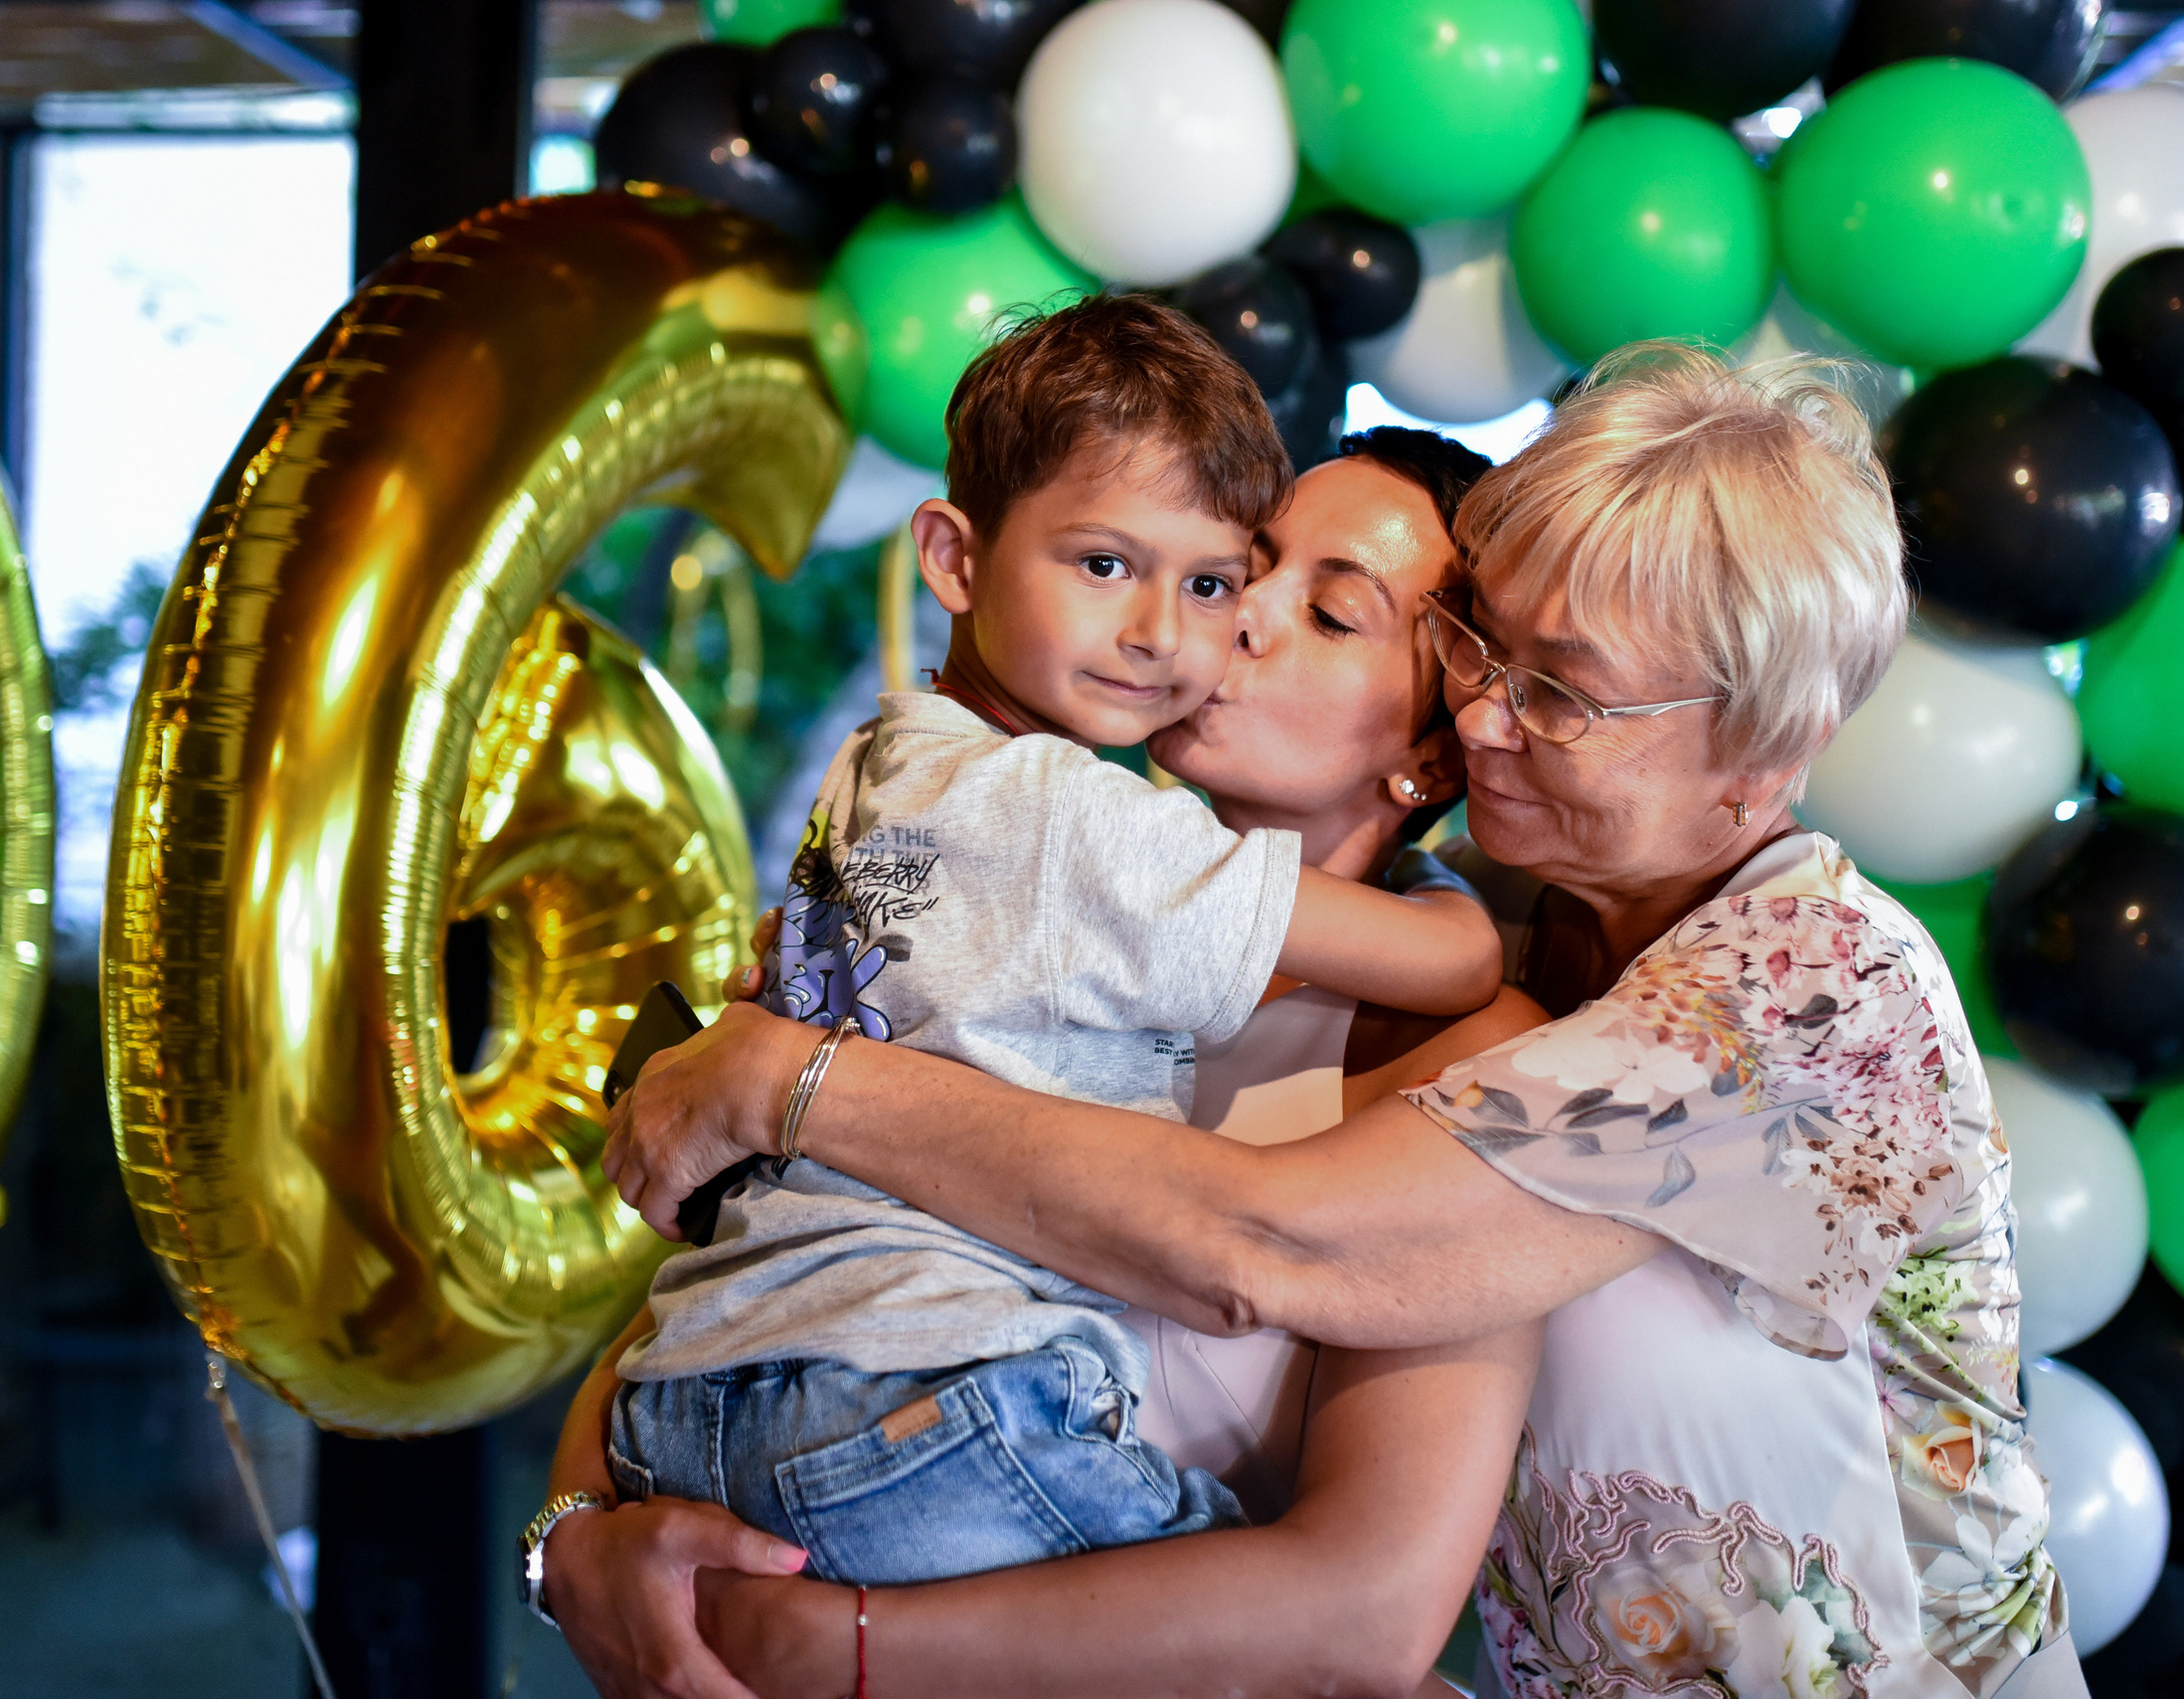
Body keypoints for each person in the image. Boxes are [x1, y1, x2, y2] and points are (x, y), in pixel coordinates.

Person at [594, 346, 2081, 1699]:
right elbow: (741, 1294)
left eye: (1558, 694)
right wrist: (570, 1542)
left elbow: (1270, 1259)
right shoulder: (1474, 940)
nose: (1488, 715)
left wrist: (790, 1079)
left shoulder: (1800, 993)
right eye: (1487, 654)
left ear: (1763, 755)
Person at [544, 424, 1547, 1699]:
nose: (1238, 618)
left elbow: (1366, 1608)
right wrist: (573, 1540)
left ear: (1431, 750)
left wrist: (850, 1644)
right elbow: (733, 1289)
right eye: (1234, 569)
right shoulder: (1001, 913)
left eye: (1331, 611)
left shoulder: (1467, 1053)